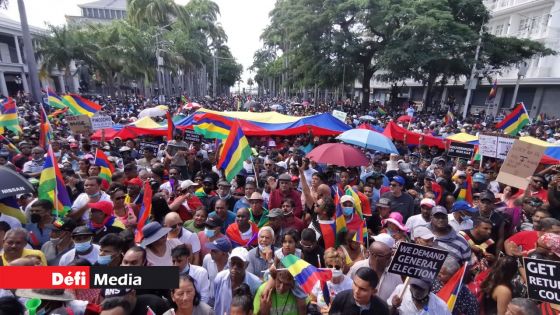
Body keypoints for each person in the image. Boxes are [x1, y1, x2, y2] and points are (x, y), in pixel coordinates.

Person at [348, 237, 402, 302]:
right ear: (375, 256)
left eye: (391, 256)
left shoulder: (395, 274)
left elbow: (399, 294)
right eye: (387, 257)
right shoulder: (357, 268)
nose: (390, 259)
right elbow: (348, 288)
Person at [213, 247, 262, 315]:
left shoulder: (255, 284)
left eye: (239, 264)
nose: (235, 267)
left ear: (246, 265)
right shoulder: (220, 278)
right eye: (233, 263)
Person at [203, 237, 232, 306]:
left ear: (224, 254)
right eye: (211, 250)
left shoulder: (233, 264)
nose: (211, 252)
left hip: (227, 301)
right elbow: (204, 279)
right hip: (210, 300)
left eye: (214, 251)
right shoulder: (207, 259)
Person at [100, 288, 170, 315]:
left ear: (132, 293)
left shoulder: (154, 303)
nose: (115, 303)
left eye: (119, 299)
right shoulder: (106, 310)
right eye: (110, 300)